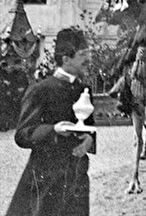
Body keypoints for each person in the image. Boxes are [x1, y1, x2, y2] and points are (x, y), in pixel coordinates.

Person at [7, 28, 95, 216]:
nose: (88, 60)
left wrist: (89, 140)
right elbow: (22, 134)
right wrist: (53, 129)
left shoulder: (84, 90)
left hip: (77, 178)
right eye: (82, 55)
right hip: (46, 179)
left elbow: (89, 128)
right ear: (66, 59)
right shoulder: (40, 90)